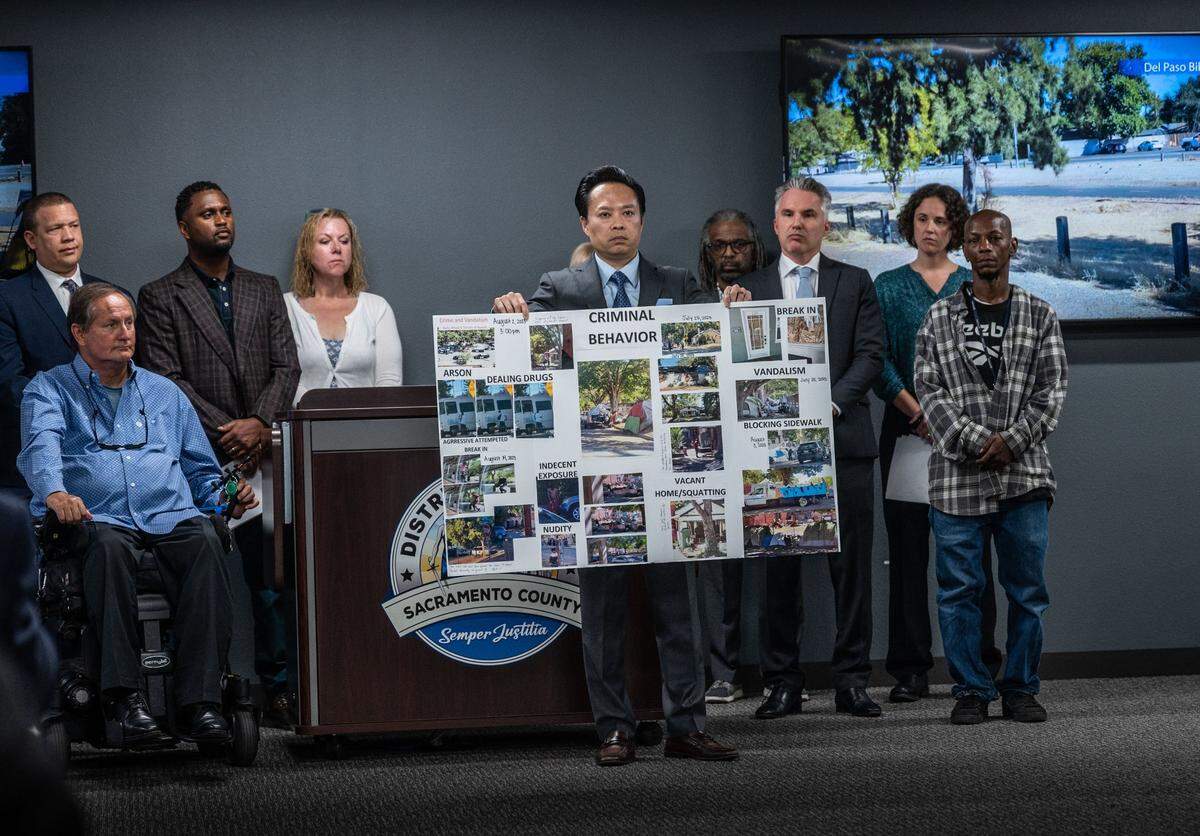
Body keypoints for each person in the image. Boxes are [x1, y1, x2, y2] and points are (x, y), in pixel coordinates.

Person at [492, 165, 741, 766]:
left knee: (678, 611)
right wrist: (510, 314)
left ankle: (686, 725)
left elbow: (715, 350)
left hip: (669, 477)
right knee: (602, 615)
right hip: (593, 480)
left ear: (642, 221)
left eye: (628, 212)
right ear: (586, 224)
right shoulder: (558, 287)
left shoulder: (677, 282)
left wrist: (731, 309)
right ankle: (613, 730)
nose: (617, 223)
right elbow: (523, 355)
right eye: (604, 214)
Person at [18, 283, 257, 744]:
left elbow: (201, 472)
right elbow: (40, 449)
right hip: (98, 521)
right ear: (79, 333)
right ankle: (124, 700)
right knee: (107, 547)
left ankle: (201, 704)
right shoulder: (49, 389)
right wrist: (55, 492)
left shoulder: (165, 393)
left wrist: (227, 494)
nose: (125, 332)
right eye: (111, 324)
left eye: (129, 322)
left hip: (170, 515)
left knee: (206, 541)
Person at [136, 181, 300, 725]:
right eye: (208, 214)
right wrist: (230, 432)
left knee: (271, 578)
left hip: (264, 457)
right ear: (185, 228)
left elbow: (287, 366)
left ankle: (279, 689)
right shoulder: (160, 295)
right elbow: (165, 378)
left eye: (226, 211)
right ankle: (197, 697)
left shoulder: (263, 287)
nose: (221, 220)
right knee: (200, 574)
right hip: (199, 460)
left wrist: (259, 425)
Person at [736, 177, 885, 719]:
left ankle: (852, 682)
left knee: (851, 574)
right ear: (775, 224)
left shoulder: (854, 281)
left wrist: (829, 406)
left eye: (808, 214)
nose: (797, 223)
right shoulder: (748, 289)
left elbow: (870, 356)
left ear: (825, 222)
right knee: (779, 573)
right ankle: (782, 683)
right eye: (788, 214)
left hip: (843, 445)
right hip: (772, 453)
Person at [914, 210, 1067, 725]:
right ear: (964, 248)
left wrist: (1013, 441)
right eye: (975, 240)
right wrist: (982, 442)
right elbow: (929, 391)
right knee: (959, 593)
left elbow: (1052, 392)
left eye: (994, 238)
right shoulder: (939, 318)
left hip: (1024, 479)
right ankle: (972, 690)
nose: (985, 247)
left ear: (1011, 246)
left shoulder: (1039, 315)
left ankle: (1020, 687)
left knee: (1028, 593)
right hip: (956, 482)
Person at [873, 184, 1003, 702]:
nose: (931, 229)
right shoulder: (887, 286)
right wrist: (917, 411)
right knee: (907, 556)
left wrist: (953, 421)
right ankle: (910, 669)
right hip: (908, 431)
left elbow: (992, 360)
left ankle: (980, 664)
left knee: (971, 557)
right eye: (923, 219)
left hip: (969, 436)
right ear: (911, 224)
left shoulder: (973, 286)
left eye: (942, 221)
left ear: (956, 230)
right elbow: (878, 359)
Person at [0, 193, 111, 492]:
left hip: (113, 453)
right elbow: (10, 385)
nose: (69, 236)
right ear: (31, 240)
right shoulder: (8, 299)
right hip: (43, 452)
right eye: (55, 229)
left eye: (74, 226)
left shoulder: (113, 296)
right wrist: (78, 415)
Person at [284, 209, 403, 404]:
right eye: (325, 241)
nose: (337, 248)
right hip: (305, 421)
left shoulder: (377, 308)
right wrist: (319, 412)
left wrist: (362, 416)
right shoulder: (285, 307)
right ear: (307, 250)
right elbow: (283, 378)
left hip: (368, 420)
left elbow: (389, 380)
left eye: (344, 241)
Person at [696, 208, 768, 296]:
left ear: (754, 249)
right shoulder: (695, 300)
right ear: (708, 253)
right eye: (719, 246)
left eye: (739, 244)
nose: (729, 253)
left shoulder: (773, 295)